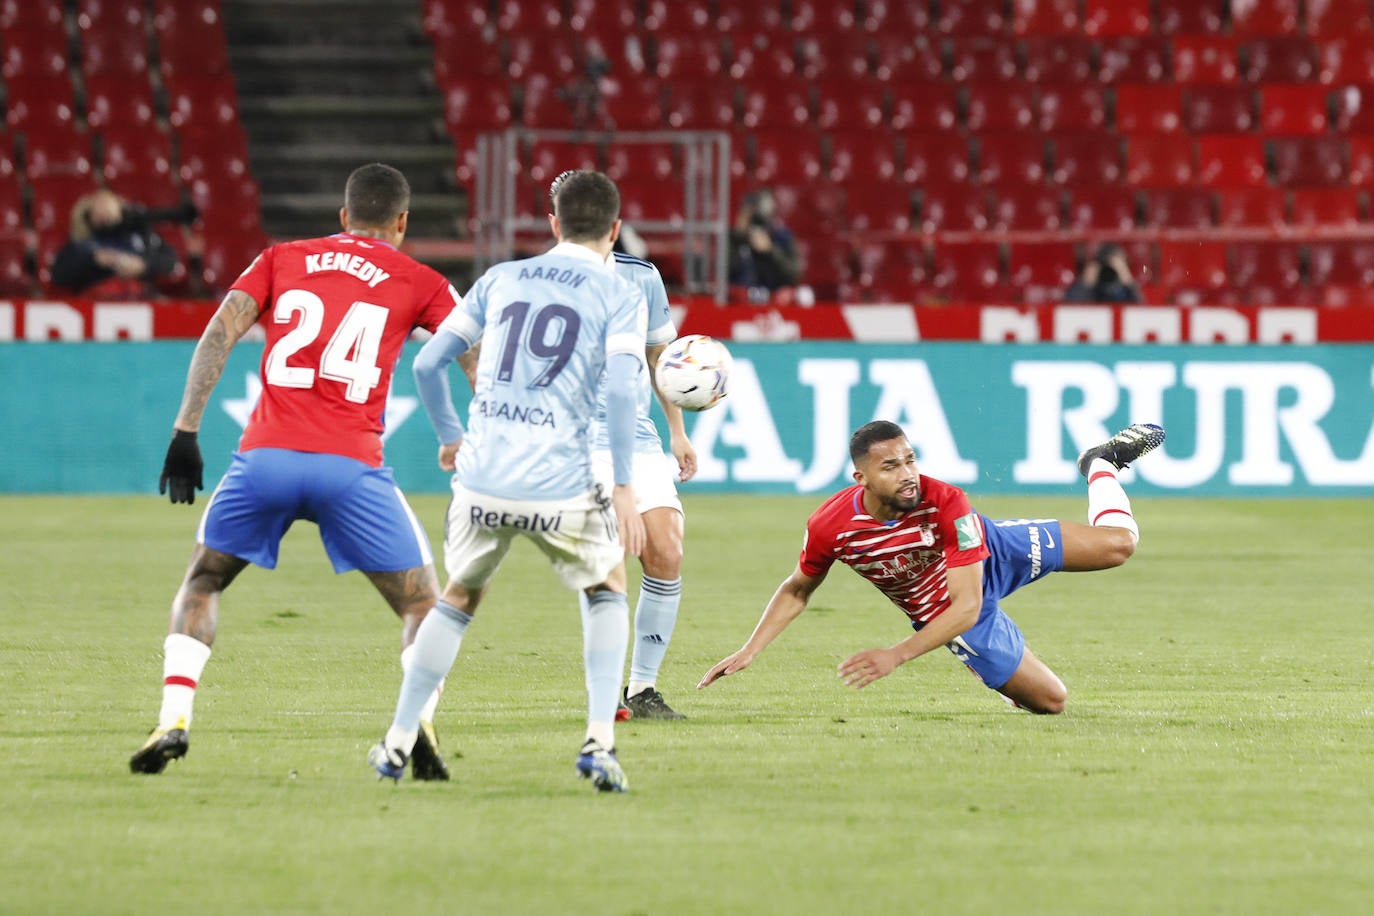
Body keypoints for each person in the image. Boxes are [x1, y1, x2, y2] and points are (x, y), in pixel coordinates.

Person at [129, 163, 459, 779]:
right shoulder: (422, 280)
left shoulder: (282, 258)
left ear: (343, 216)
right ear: (403, 223)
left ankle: (173, 719)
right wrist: (472, 437)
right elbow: (474, 353)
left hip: (265, 461)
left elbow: (218, 333)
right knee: (424, 605)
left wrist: (185, 431)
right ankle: (415, 721)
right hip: (351, 468)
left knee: (202, 583)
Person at [369, 169, 648, 793]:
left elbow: (428, 362)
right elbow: (628, 386)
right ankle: (600, 741)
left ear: (552, 225)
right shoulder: (619, 293)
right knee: (606, 587)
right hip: (560, 480)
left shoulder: (500, 279)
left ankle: (397, 737)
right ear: (615, 228)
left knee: (459, 597)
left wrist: (449, 436)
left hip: (482, 476)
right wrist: (625, 486)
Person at [699, 420, 1166, 714]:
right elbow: (798, 589)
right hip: (942, 608)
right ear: (860, 478)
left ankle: (1099, 464)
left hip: (990, 553)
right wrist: (750, 649)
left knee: (1119, 546)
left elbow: (967, 602)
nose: (906, 474)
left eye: (910, 460)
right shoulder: (831, 526)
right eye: (890, 466)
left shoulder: (947, 502)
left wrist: (895, 655)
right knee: (1052, 701)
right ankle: (996, 673)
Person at [50, 189, 197, 295]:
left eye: (109, 215)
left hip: (139, 299)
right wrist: (94, 259)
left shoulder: (139, 234)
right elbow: (59, 275)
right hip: (96, 302)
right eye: (99, 216)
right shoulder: (83, 242)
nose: (105, 220)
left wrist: (142, 264)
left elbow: (169, 260)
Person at [728, 187, 800, 301]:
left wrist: (771, 251)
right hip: (739, 303)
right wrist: (740, 238)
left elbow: (794, 275)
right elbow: (722, 273)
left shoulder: (781, 237)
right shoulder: (733, 238)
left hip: (774, 300)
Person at [1063, 242, 1143, 304]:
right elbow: (1070, 307)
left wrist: (1126, 277)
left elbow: (1140, 309)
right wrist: (1086, 282)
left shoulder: (1126, 286)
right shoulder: (1092, 284)